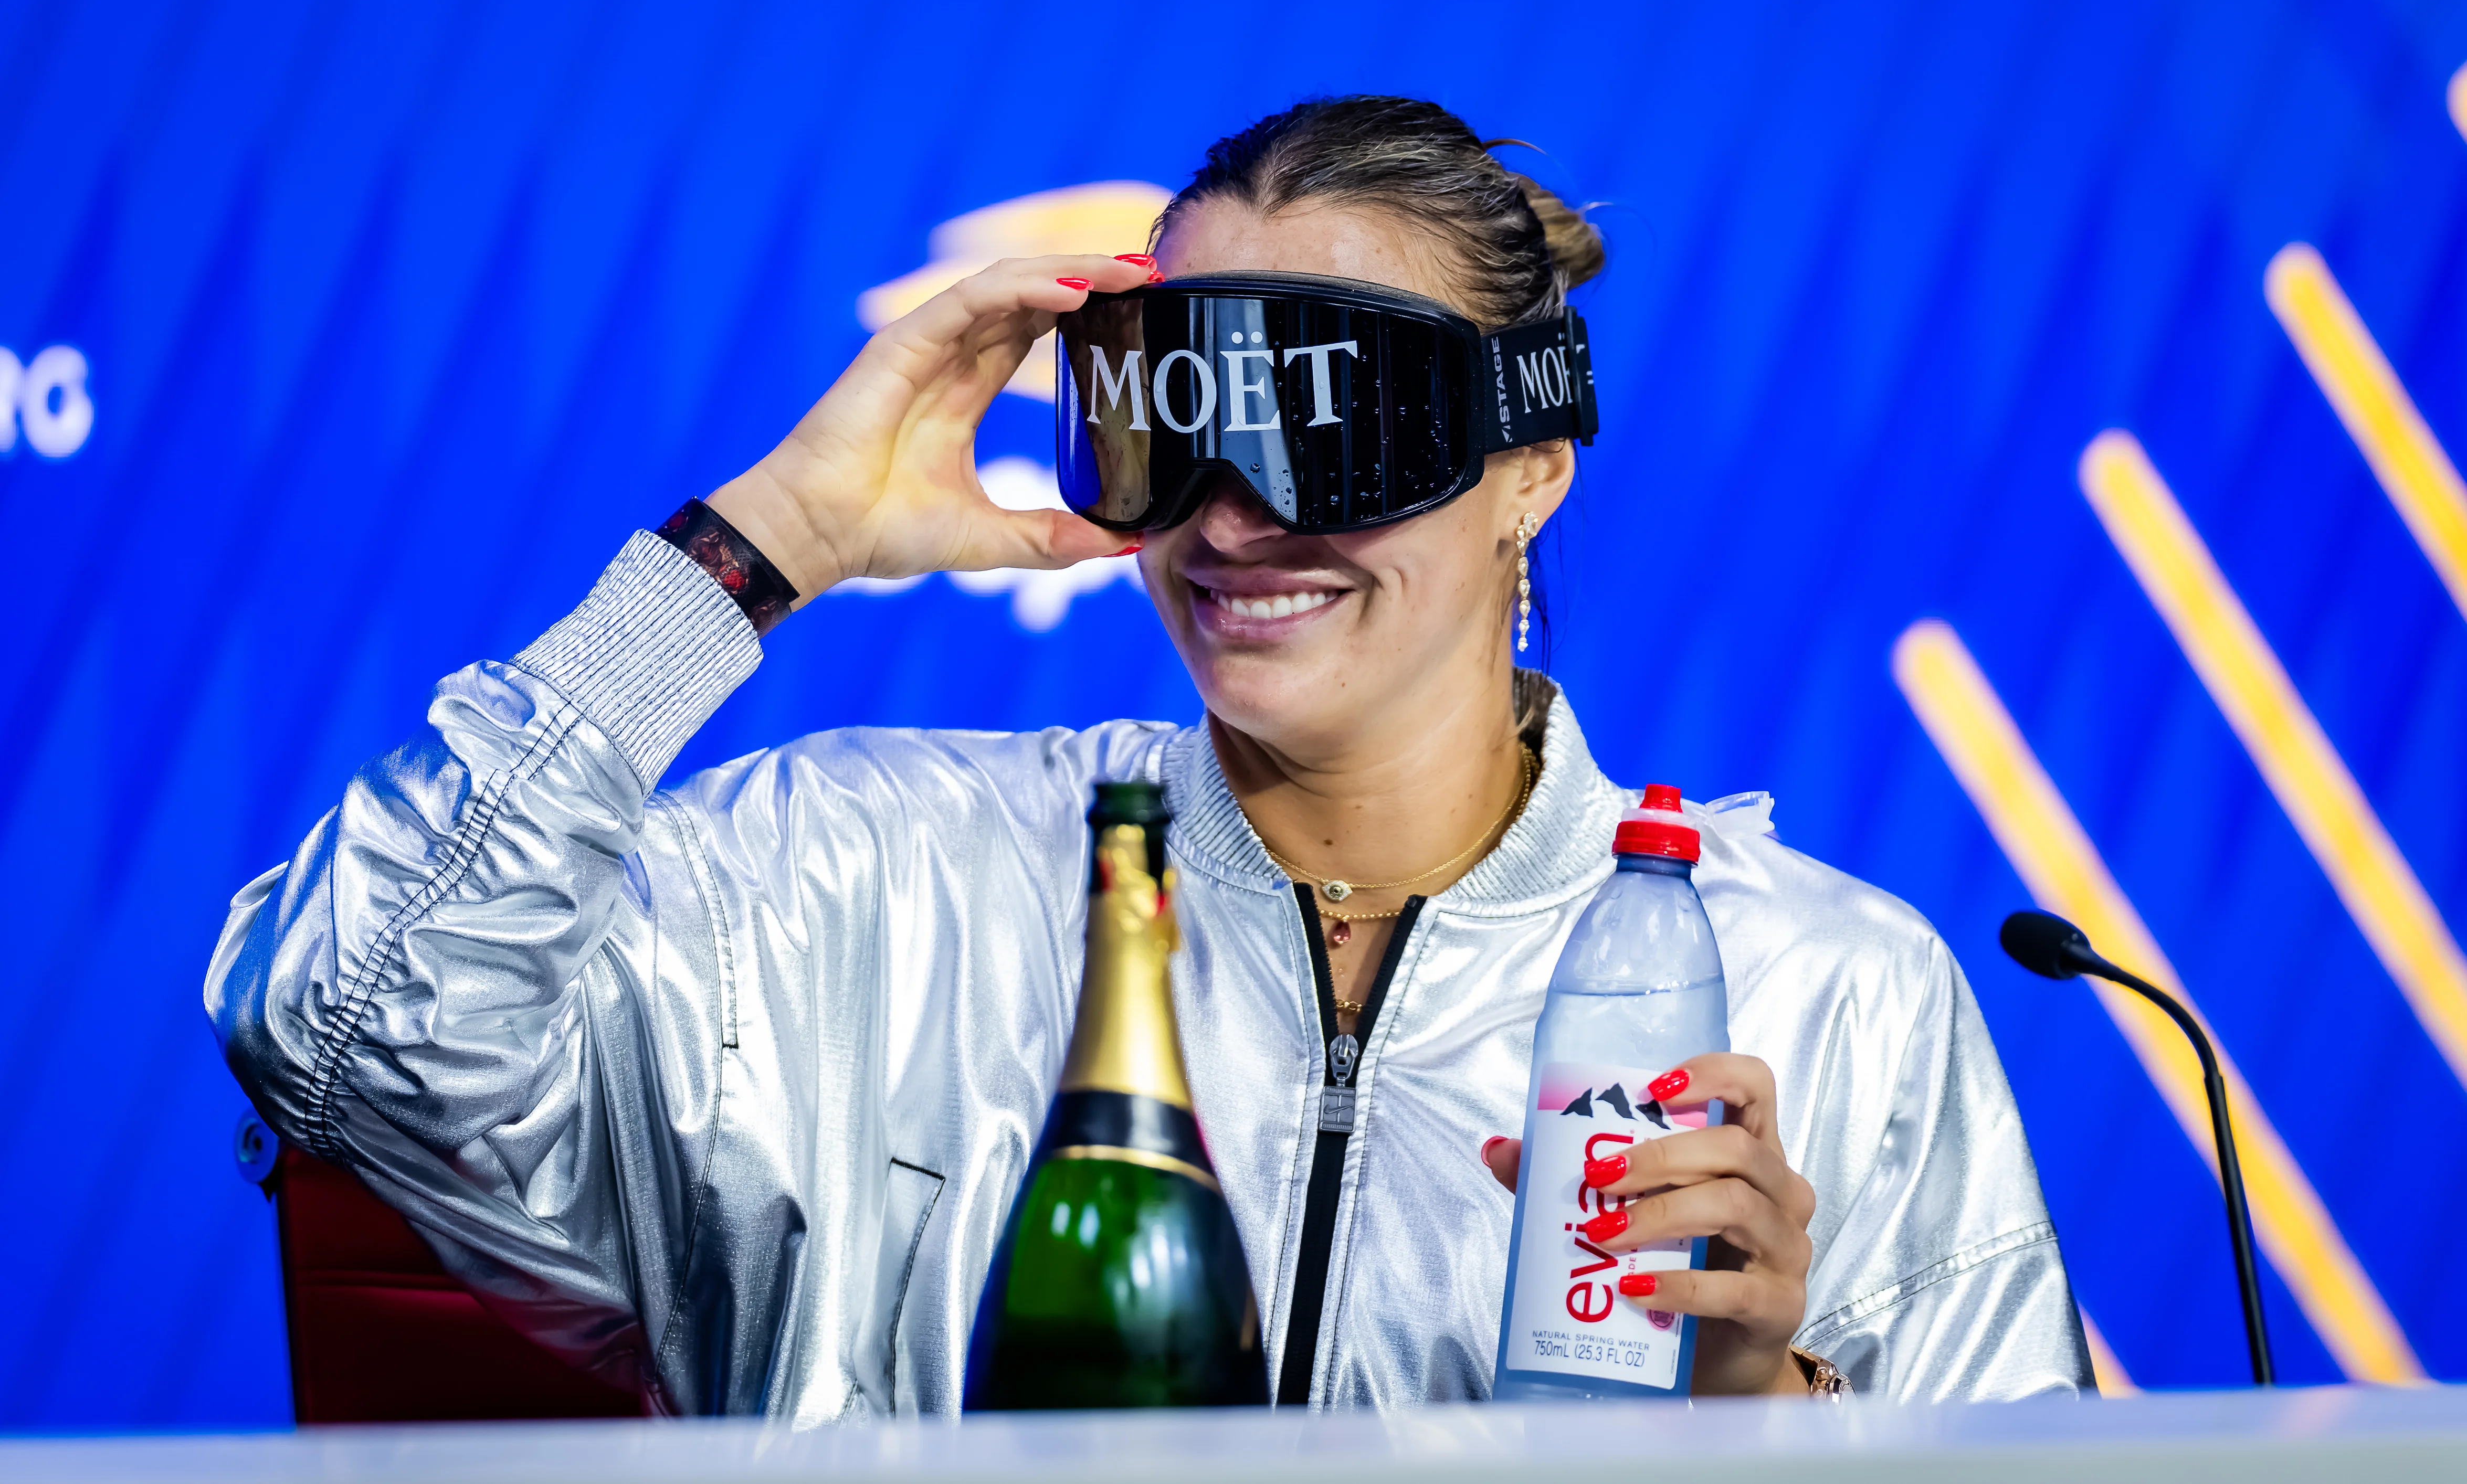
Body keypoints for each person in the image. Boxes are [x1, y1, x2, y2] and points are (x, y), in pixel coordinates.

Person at [206, 96, 2093, 1419]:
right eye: (1164, 420)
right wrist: (756, 543)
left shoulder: (1821, 990)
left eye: (1328, 422)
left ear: (1529, 462)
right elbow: (340, 1023)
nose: (1231, 520)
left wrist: (1774, 1411)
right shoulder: (856, 875)